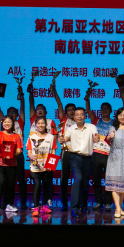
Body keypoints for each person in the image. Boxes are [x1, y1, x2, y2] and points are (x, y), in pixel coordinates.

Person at [0, 87, 27, 209]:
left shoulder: (20, 122)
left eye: (14, 112)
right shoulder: (4, 125)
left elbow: (22, 107)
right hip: (3, 156)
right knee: (5, 181)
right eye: (9, 112)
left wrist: (21, 94)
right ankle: (5, 202)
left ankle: (23, 202)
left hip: (17, 154)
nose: (11, 114)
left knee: (20, 179)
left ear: (17, 114)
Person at [62, 107, 99, 216]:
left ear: (85, 116)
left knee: (85, 183)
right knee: (78, 179)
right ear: (74, 117)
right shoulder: (70, 128)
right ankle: (74, 208)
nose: (79, 116)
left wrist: (96, 138)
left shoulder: (91, 127)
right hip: (74, 157)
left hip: (87, 159)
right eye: (77, 114)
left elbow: (95, 135)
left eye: (81, 114)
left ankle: (84, 206)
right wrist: (63, 139)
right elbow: (66, 137)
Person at [50, 83, 78, 211]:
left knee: (78, 178)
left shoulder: (81, 122)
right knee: (64, 178)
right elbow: (59, 104)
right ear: (66, 113)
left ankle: (77, 203)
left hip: (78, 152)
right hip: (66, 152)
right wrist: (54, 91)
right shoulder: (64, 121)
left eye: (73, 109)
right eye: (69, 110)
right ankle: (64, 203)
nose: (71, 111)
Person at [0, 115, 23, 216]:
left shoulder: (16, 136)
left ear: (13, 124)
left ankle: (9, 205)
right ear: (2, 124)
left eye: (9, 122)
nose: (7, 124)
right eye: (5, 122)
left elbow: (19, 151)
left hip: (11, 164)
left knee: (10, 185)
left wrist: (11, 154)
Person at [86, 98, 113, 210]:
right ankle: (98, 201)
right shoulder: (96, 120)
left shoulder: (114, 123)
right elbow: (88, 110)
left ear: (111, 111)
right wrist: (87, 98)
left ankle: (107, 203)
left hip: (109, 155)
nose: (104, 110)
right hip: (96, 154)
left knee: (108, 180)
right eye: (102, 109)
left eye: (107, 109)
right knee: (96, 180)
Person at [27, 116, 57, 217]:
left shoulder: (51, 137)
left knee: (46, 186)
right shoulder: (31, 137)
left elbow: (53, 151)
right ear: (36, 125)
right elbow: (29, 151)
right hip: (35, 167)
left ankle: (44, 206)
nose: (40, 125)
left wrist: (51, 165)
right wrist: (31, 156)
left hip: (47, 167)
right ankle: (36, 207)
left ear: (46, 125)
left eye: (42, 123)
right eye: (38, 123)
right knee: (37, 185)